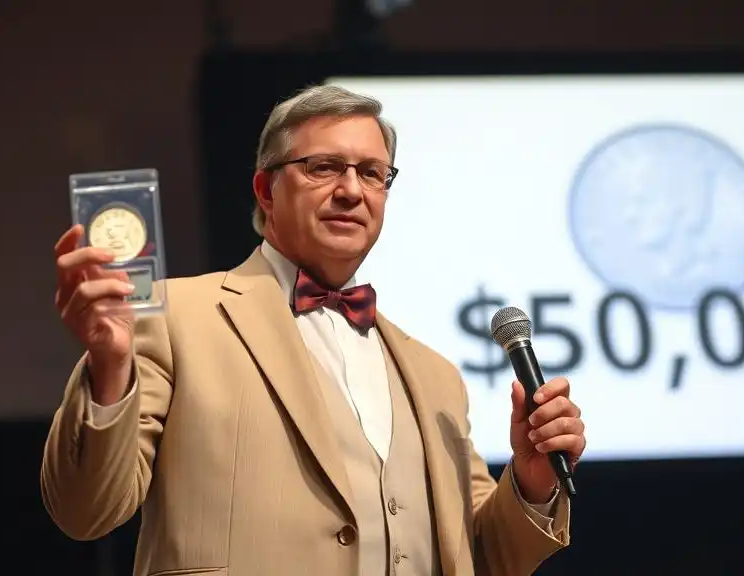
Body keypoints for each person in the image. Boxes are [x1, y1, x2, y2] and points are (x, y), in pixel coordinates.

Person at [42, 84, 587, 576]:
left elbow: (482, 557)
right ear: (266, 190)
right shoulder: (177, 317)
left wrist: (531, 480)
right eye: (324, 167)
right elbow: (86, 511)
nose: (352, 190)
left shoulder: (435, 374)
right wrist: (110, 369)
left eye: (372, 173)